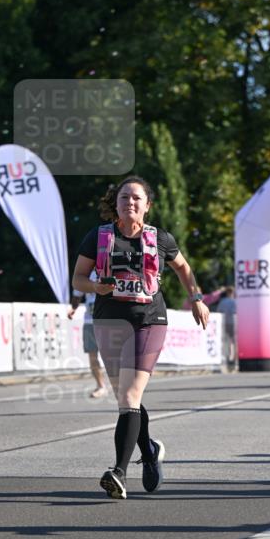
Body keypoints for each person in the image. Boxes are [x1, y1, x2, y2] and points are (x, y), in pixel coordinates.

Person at [72, 177, 209, 499]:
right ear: (115, 203)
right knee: (125, 398)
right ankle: (148, 451)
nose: (129, 203)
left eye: (136, 198)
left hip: (149, 320)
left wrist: (197, 298)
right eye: (123, 198)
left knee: (131, 396)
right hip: (109, 320)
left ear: (147, 205)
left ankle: (118, 472)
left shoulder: (160, 238)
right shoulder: (99, 236)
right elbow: (78, 278)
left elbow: (184, 268)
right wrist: (97, 287)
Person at [67, 272, 107, 398]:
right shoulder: (86, 273)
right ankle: (101, 386)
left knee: (113, 355)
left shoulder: (110, 268)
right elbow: (77, 294)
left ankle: (122, 384)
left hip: (109, 320)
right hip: (90, 321)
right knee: (92, 356)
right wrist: (73, 308)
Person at [216, 286, 237, 368]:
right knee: (233, 340)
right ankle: (232, 356)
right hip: (233, 323)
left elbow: (219, 311)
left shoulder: (223, 301)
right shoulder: (234, 301)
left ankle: (228, 355)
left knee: (227, 340)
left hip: (224, 322)